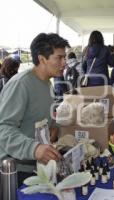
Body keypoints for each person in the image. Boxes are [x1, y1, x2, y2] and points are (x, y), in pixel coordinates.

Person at [0, 33, 68, 186]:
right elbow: (3, 128)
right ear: (42, 59)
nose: (64, 63)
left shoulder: (48, 84)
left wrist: (54, 126)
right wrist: (34, 148)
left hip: (37, 167)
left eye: (65, 57)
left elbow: (44, 116)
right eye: (59, 58)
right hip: (16, 170)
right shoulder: (21, 84)